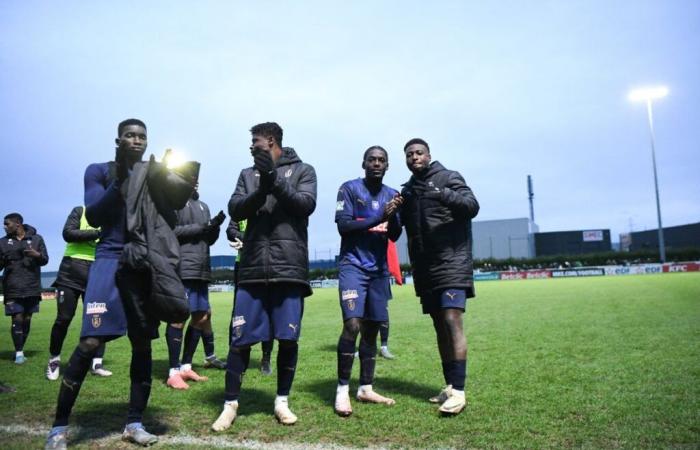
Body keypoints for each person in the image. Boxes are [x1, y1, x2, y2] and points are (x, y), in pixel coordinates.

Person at [45, 119, 165, 449]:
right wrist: (123, 179)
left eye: (142, 136)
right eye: (130, 135)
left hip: (142, 264)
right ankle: (58, 428)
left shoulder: (150, 174)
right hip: (109, 261)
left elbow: (167, 215)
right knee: (90, 343)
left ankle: (134, 423)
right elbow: (96, 215)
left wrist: (177, 185)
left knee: (142, 344)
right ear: (118, 139)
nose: (136, 140)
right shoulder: (97, 170)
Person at [212, 122, 316, 431]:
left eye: (255, 142)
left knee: (287, 338)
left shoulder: (303, 170)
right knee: (239, 340)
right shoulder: (246, 174)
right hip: (253, 269)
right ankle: (230, 405)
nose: (251, 147)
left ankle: (282, 401)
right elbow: (236, 208)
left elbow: (304, 206)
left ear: (270, 141)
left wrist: (275, 181)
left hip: (289, 268)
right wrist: (262, 186)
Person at [399, 138, 479, 415]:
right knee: (439, 325)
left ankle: (459, 391)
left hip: (452, 262)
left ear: (429, 155)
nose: (414, 157)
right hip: (425, 268)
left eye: (419, 153)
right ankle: (449, 385)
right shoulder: (408, 190)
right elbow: (400, 230)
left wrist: (443, 193)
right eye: (409, 155)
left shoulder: (448, 177)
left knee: (451, 318)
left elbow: (472, 207)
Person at [333, 146, 402, 416]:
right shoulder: (349, 189)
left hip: (379, 271)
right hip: (353, 266)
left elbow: (394, 235)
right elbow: (344, 226)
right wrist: (380, 216)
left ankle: (365, 387)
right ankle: (341, 390)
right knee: (352, 325)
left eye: (381, 160)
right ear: (363, 163)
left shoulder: (393, 195)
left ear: (387, 166)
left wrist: (394, 214)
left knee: (372, 328)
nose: (376, 163)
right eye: (371, 159)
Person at [165, 182, 227, 390]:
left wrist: (214, 227)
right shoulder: (173, 203)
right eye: (191, 178)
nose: (196, 182)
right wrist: (201, 228)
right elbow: (169, 231)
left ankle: (186, 366)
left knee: (202, 316)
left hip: (201, 267)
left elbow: (207, 239)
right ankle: (173, 371)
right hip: (182, 266)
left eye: (197, 179)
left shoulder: (203, 206)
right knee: (178, 317)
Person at [46, 206, 111, 381]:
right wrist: (97, 233)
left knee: (97, 320)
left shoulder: (111, 214)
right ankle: (54, 360)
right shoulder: (80, 211)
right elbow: (68, 233)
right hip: (71, 272)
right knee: (64, 319)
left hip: (97, 272)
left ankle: (97, 363)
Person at [227, 219, 274, 376]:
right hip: (243, 265)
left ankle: (266, 358)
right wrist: (250, 238)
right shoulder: (242, 207)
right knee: (238, 312)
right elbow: (230, 231)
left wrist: (246, 240)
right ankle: (234, 354)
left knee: (268, 310)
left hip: (266, 264)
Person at [1, 213, 49, 364]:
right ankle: (19, 353)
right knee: (17, 317)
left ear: (17, 224)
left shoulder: (36, 239)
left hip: (32, 287)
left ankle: (21, 348)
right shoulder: (2, 242)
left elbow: (45, 260)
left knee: (27, 319)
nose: (4, 227)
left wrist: (37, 255)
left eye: (6, 224)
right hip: (12, 287)